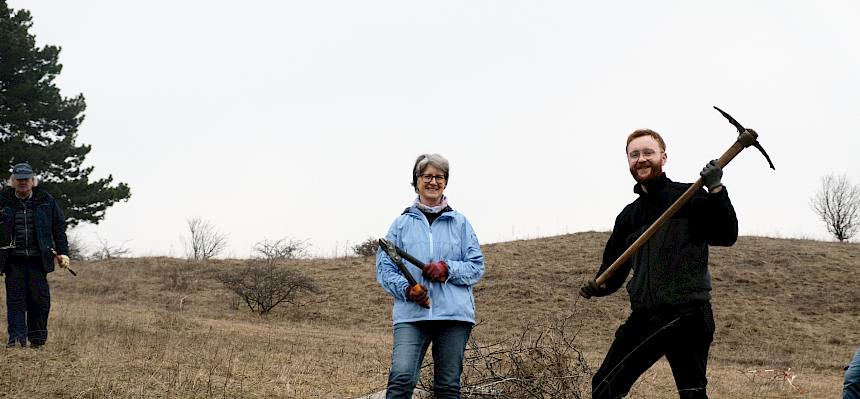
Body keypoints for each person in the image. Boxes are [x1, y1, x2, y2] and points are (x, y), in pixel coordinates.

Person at [579, 129, 738, 399]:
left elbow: (726, 235)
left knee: (692, 394)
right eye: (634, 155)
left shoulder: (689, 197)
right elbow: (614, 271)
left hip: (689, 316)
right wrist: (598, 287)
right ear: (628, 161)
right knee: (605, 386)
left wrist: (716, 189)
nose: (641, 159)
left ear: (663, 158)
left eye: (648, 153)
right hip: (646, 317)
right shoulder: (628, 217)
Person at [376, 153, 484, 399]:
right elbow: (385, 269)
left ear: (446, 182)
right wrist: (407, 290)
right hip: (411, 316)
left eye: (439, 177)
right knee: (401, 380)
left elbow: (476, 267)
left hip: (454, 316)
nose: (433, 181)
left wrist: (447, 269)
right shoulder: (400, 224)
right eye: (427, 176)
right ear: (416, 181)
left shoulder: (461, 223)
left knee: (447, 387)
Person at [0, 163, 70, 348]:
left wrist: (63, 252)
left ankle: (37, 341)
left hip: (38, 261)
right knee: (16, 301)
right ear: (12, 181)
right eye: (19, 179)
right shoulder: (3, 201)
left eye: (26, 179)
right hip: (13, 261)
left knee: (39, 302)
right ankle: (17, 340)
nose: (23, 182)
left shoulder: (46, 200)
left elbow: (59, 227)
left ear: (33, 181)